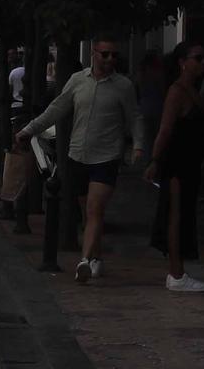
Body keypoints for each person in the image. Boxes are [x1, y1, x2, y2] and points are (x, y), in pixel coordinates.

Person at [15, 36, 141, 285]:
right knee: (88, 212)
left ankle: (84, 261)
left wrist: (138, 146)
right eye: (105, 54)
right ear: (94, 54)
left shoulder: (123, 86)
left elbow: (135, 118)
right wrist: (28, 129)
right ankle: (97, 257)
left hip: (107, 156)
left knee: (95, 208)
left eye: (114, 55)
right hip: (78, 154)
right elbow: (57, 108)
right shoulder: (77, 81)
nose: (110, 59)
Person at [145, 40, 204, 293]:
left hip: (191, 161)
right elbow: (165, 129)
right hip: (177, 161)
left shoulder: (194, 90)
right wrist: (155, 160)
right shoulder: (177, 91)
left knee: (182, 214)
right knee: (176, 214)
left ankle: (178, 270)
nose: (203, 63)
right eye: (198, 58)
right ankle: (176, 272)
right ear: (183, 63)